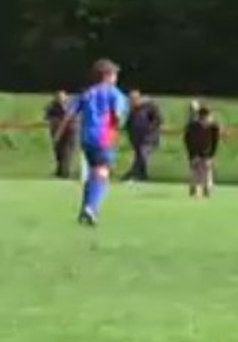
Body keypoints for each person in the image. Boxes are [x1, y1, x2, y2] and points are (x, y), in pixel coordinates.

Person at [55, 59, 129, 226]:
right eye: (115, 74)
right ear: (107, 76)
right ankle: (91, 207)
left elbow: (69, 114)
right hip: (103, 136)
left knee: (94, 173)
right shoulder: (114, 93)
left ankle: (85, 210)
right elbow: (117, 115)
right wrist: (117, 126)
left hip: (86, 138)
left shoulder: (86, 93)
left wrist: (59, 133)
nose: (116, 78)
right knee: (102, 173)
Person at [122, 90, 163, 182]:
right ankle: (141, 176)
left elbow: (158, 120)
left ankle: (133, 175)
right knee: (139, 156)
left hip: (150, 139)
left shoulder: (149, 107)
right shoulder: (132, 111)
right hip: (137, 140)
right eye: (129, 101)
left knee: (142, 154)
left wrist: (150, 128)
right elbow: (128, 126)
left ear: (137, 99)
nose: (130, 103)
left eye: (132, 100)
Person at [183, 105, 220, 199]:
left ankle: (203, 188)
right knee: (197, 170)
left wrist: (211, 154)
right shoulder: (194, 125)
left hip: (204, 151)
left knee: (203, 170)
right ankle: (196, 188)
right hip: (198, 151)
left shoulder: (213, 126)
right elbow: (187, 139)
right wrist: (192, 154)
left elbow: (215, 141)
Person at [44, 90, 76, 179]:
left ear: (66, 97)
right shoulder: (51, 106)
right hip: (56, 131)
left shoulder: (71, 105)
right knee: (58, 151)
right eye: (58, 97)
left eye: (62, 97)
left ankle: (66, 172)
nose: (60, 99)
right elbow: (47, 117)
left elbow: (75, 116)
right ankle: (60, 170)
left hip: (70, 131)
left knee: (67, 151)